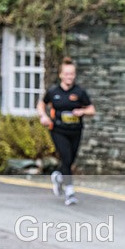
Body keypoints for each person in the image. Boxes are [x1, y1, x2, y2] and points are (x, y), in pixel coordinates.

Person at [37, 57, 95, 206]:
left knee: (69, 160)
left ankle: (59, 178)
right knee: (66, 157)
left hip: (75, 130)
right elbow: (41, 104)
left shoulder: (80, 92)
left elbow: (91, 109)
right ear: (61, 75)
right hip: (58, 129)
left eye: (72, 74)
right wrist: (43, 116)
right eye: (67, 74)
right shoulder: (53, 91)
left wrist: (82, 112)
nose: (69, 77)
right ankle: (70, 192)